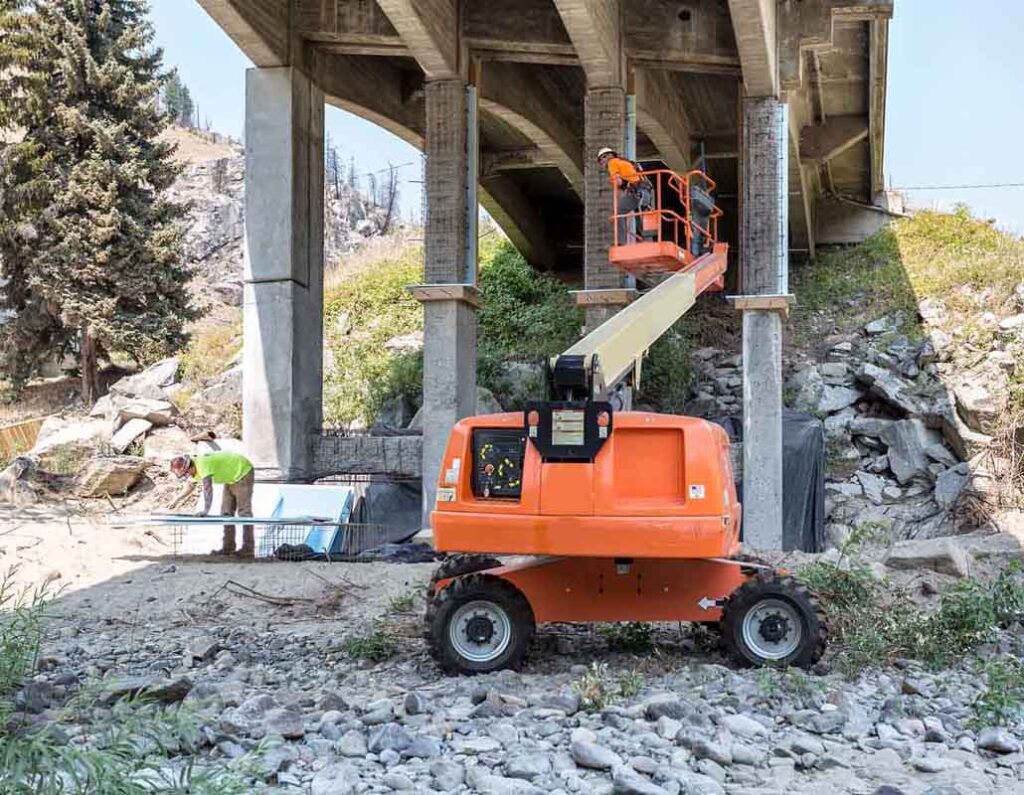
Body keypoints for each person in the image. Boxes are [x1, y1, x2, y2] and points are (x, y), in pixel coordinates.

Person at [170, 451, 255, 557]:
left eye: (186, 474)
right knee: (226, 513)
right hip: (231, 477)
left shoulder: (203, 465)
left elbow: (208, 490)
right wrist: (176, 499)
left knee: (244, 513)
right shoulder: (193, 468)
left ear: (189, 468)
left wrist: (206, 510)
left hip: (243, 471)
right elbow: (190, 486)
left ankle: (248, 550)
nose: (187, 476)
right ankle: (228, 548)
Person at [596, 147, 652, 244]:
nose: (602, 163)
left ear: (607, 156)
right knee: (640, 217)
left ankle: (621, 242)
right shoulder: (625, 162)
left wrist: (614, 182)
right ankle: (648, 242)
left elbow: (618, 181)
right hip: (645, 192)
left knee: (619, 213)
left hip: (636, 191)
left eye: (602, 159)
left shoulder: (612, 162)